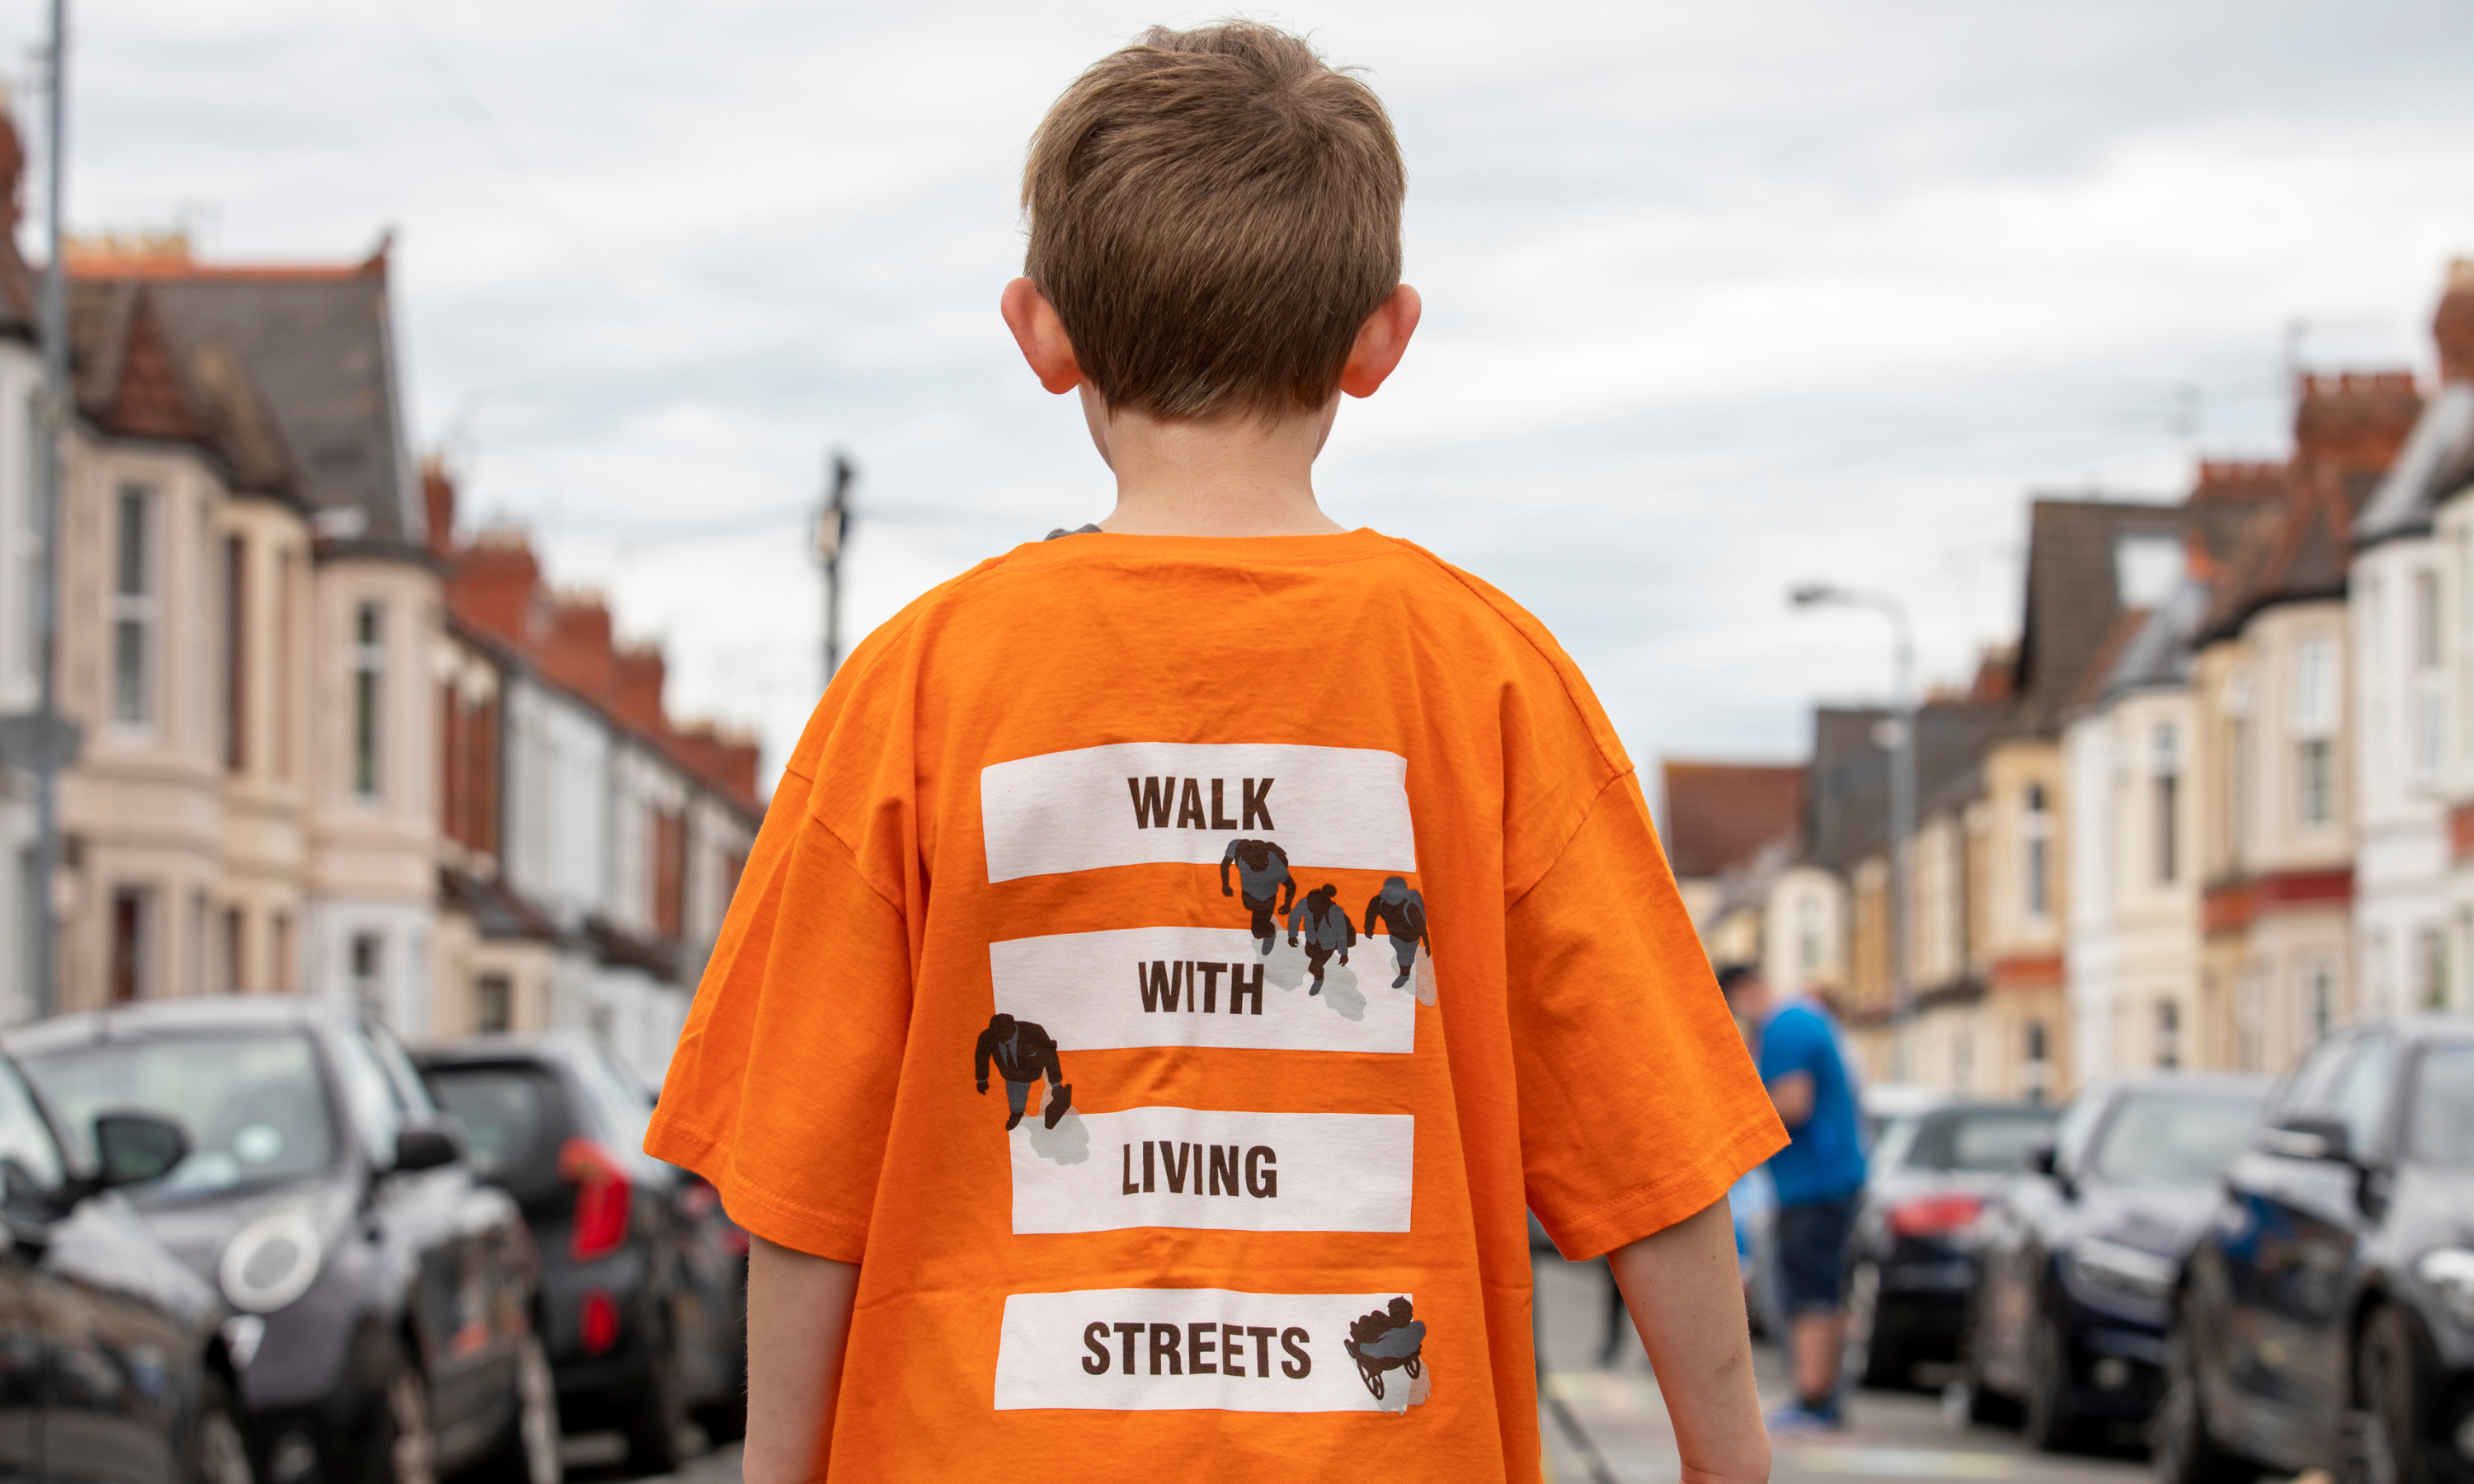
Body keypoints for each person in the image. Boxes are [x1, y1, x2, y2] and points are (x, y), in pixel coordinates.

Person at [646, 24, 1783, 1482]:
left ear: (1041, 333)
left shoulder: (916, 691)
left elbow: (803, 1193)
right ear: (1380, 339)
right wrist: (1727, 1460)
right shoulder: (1490, 680)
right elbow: (1654, 1161)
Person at [1718, 962, 1866, 1433]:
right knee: (1824, 1289)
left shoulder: (1784, 1026)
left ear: (1741, 993)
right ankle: (1823, 1394)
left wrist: (1733, 1113)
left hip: (1813, 1186)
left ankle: (1813, 1398)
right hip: (1826, 1182)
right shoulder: (1803, 1019)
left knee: (1807, 1294)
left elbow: (1792, 1103)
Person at [973, 1013, 1070, 1131]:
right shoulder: (988, 1037)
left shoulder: (1034, 1032)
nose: (1001, 1039)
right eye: (997, 1036)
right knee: (1016, 1094)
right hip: (1012, 1074)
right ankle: (1017, 1114)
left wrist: (1056, 1085)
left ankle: (1050, 1045)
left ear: (1013, 1029)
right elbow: (981, 1058)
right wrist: (982, 1080)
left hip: (1034, 1063)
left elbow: (1051, 1058)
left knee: (1048, 1056)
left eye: (1004, 1036)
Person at [1221, 838, 1296, 956]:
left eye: (1261, 862)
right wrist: (1225, 885)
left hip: (1267, 897)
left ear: (1266, 857)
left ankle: (1270, 933)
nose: (1258, 867)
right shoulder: (1237, 848)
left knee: (1257, 932)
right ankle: (1266, 924)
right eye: (1253, 863)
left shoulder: (1276, 865)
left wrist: (1287, 905)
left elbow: (1291, 885)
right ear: (1245, 859)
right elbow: (1225, 865)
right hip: (1248, 894)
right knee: (1250, 907)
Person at [1286, 882, 1356, 995]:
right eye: (1308, 904)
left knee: (1314, 967)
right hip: (1312, 939)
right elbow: (1294, 916)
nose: (1308, 908)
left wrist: (1343, 953)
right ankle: (1319, 963)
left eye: (1312, 906)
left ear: (1322, 905)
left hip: (1328, 943)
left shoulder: (1335, 912)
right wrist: (1292, 935)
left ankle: (1319, 979)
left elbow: (1341, 933)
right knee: (1309, 953)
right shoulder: (1306, 903)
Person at [1362, 876, 1431, 989]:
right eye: (1389, 897)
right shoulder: (1378, 902)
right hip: (1394, 935)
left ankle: (1404, 975)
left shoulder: (1410, 908)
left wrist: (1428, 945)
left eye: (1395, 899)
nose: (1391, 902)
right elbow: (1371, 913)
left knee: (1405, 958)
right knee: (1399, 951)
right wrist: (1368, 928)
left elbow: (1421, 928)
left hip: (1410, 939)